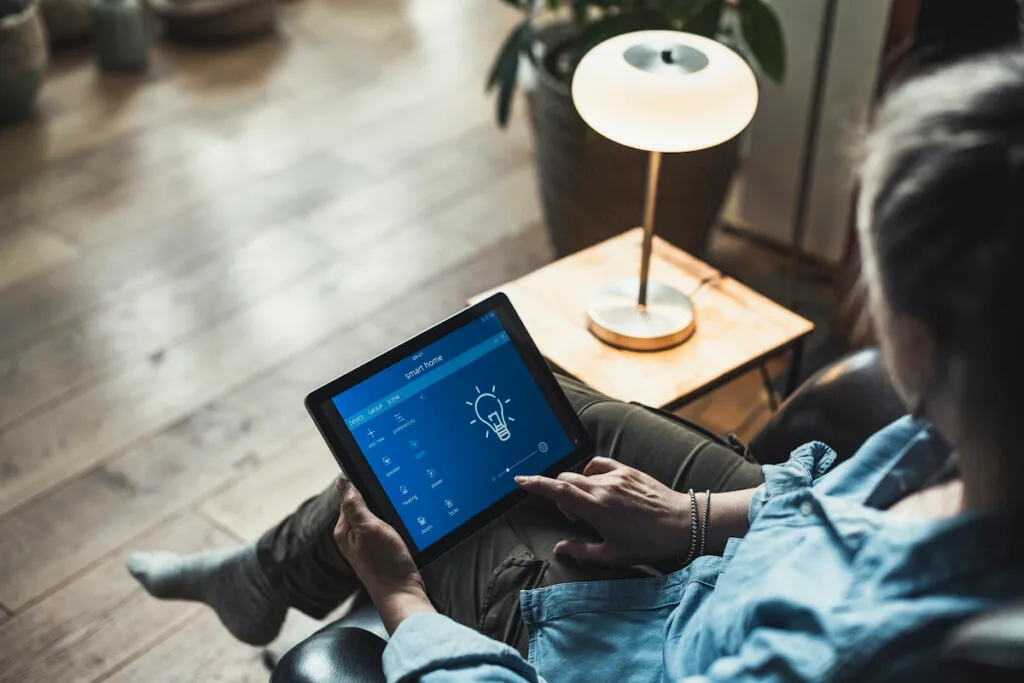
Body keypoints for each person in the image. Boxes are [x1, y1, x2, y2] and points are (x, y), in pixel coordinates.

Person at [128, 50, 1024, 681]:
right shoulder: (953, 445)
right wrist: (695, 515)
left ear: (925, 341)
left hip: (657, 643)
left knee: (427, 493)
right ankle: (260, 575)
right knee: (534, 404)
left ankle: (264, 578)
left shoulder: (840, 646)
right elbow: (839, 505)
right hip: (749, 546)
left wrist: (401, 599)